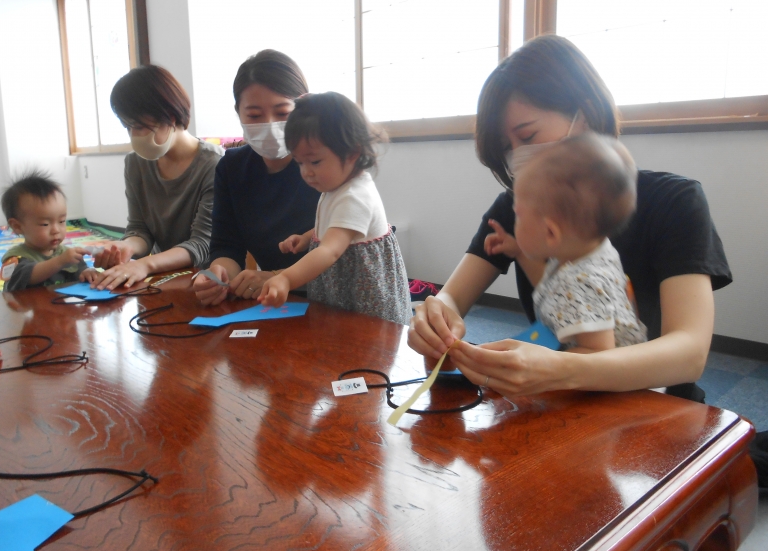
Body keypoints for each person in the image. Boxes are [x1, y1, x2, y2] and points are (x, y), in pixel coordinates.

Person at [408, 34, 731, 400]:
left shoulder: (674, 202)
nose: (518, 158)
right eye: (506, 148)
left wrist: (560, 369)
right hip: (563, 405)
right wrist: (434, 318)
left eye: (528, 135)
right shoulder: (516, 207)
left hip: (657, 407)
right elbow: (452, 298)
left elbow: (689, 353)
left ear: (585, 118)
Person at [258, 92, 411, 325]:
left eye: (315, 161)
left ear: (352, 153)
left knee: (368, 336)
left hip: (365, 297)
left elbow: (330, 250)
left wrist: (286, 278)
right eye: (300, 162)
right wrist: (306, 238)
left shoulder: (355, 195)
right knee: (337, 329)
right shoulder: (335, 186)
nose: (306, 172)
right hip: (342, 286)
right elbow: (337, 227)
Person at [192, 50, 319, 306]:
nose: (269, 125)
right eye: (254, 116)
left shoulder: (327, 164)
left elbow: (342, 252)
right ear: (238, 113)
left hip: (333, 302)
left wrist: (277, 277)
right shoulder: (232, 168)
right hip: (274, 303)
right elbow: (226, 245)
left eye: (282, 113)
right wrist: (218, 276)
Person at [91, 65, 223, 290]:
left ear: (169, 117)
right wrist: (126, 248)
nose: (133, 136)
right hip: (162, 278)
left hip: (206, 282)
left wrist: (144, 265)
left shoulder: (214, 164)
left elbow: (202, 244)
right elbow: (139, 229)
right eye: (127, 127)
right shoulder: (135, 164)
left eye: (139, 126)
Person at [511, 133, 646, 352]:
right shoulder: (585, 251)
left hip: (611, 372)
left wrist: (540, 360)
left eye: (518, 214)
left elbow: (598, 354)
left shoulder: (584, 282)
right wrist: (517, 251)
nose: (513, 219)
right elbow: (556, 292)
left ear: (551, 233)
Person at [0, 171, 96, 292]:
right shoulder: (16, 258)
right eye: (45, 224)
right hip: (29, 304)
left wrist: (87, 272)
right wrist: (60, 261)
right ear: (17, 226)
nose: (56, 230)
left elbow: (80, 272)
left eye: (61, 221)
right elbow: (27, 276)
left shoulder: (66, 254)